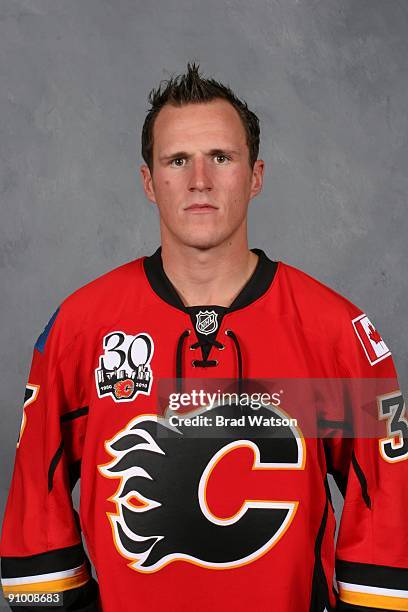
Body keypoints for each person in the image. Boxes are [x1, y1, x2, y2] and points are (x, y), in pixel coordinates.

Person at [1, 62, 407, 612]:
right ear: (149, 181)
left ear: (255, 175)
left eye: (221, 157)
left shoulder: (336, 333)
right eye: (177, 160)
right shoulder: (80, 327)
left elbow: (386, 507)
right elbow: (36, 506)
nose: (199, 180)